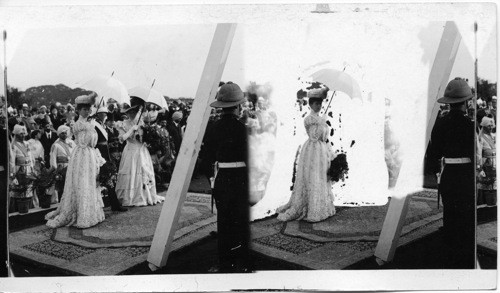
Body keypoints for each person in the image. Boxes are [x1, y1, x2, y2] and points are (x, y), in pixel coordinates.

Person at [203, 82, 251, 273]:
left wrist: (212, 180)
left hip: (222, 178)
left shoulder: (213, 128)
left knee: (224, 221)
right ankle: (242, 259)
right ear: (238, 107)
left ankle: (225, 262)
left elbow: (206, 158)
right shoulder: (243, 129)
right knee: (240, 220)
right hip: (240, 179)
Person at [429, 77, 475, 268]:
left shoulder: (440, 123)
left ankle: (448, 256)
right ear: (465, 102)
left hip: (448, 176)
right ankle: (463, 259)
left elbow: (433, 153)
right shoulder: (469, 125)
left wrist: (436, 173)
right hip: (465, 176)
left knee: (450, 216)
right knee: (465, 218)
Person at [45, 93, 106, 229]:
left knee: (89, 181)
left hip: (89, 154)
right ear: (78, 110)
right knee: (82, 181)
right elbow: (85, 142)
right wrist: (91, 127)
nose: (88, 111)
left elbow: (94, 142)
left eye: (89, 108)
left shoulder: (89, 123)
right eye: (84, 109)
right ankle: (81, 213)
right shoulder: (78, 124)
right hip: (82, 154)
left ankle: (91, 212)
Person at [277, 88, 336, 222]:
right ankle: (311, 208)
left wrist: (324, 125)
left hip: (321, 150)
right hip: (312, 150)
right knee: (313, 176)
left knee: (320, 175)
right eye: (316, 104)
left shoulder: (320, 118)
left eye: (320, 104)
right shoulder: (309, 119)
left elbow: (324, 137)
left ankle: (321, 206)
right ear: (310, 105)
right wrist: (321, 123)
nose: (319, 106)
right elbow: (314, 136)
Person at [115, 96, 164, 207]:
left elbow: (143, 139)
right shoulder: (122, 124)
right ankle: (131, 196)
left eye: (134, 111)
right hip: (130, 151)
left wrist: (143, 135)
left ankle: (144, 194)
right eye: (129, 112)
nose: (131, 114)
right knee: (130, 172)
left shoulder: (141, 123)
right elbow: (122, 139)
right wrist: (132, 130)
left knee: (144, 172)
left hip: (141, 150)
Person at [93, 107, 127, 212]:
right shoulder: (94, 125)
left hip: (106, 154)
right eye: (103, 113)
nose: (105, 115)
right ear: (98, 114)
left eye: (106, 114)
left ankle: (115, 205)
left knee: (110, 179)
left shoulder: (103, 126)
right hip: (98, 153)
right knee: (101, 180)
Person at [10, 124, 37, 208]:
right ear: (16, 134)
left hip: (28, 169)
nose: (23, 135)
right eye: (21, 134)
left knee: (29, 189)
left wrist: (32, 168)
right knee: (19, 190)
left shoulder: (27, 143)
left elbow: (31, 157)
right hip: (19, 170)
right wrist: (12, 173)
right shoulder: (13, 145)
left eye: (24, 133)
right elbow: (12, 161)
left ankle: (29, 207)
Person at [49, 125, 76, 202]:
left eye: (65, 133)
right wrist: (55, 171)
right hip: (62, 168)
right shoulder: (56, 145)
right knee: (63, 187)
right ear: (59, 134)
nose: (64, 135)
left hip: (71, 167)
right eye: (62, 133)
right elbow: (53, 158)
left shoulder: (71, 142)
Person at [477, 116, 496, 206]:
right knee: (486, 187)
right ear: (484, 126)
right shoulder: (480, 138)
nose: (491, 127)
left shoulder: (493, 136)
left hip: (494, 164)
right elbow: (478, 154)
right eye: (489, 126)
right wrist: (480, 168)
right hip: (486, 165)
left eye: (492, 126)